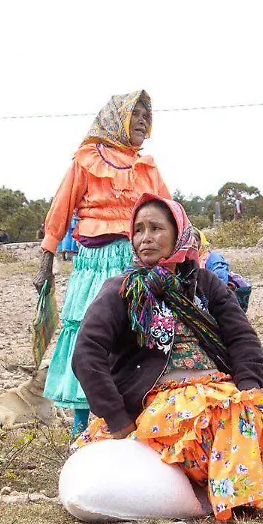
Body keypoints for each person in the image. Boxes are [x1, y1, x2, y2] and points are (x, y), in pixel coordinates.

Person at [72, 195, 263, 522]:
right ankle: (231, 499)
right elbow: (87, 353)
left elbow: (242, 338)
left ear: (179, 234)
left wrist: (249, 388)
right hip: (158, 401)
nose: (145, 237)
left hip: (217, 389)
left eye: (156, 228)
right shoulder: (121, 289)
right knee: (227, 417)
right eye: (138, 230)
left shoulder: (204, 285)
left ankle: (224, 490)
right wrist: (118, 418)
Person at [36, 92, 171, 437]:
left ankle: (133, 421)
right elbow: (60, 212)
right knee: (91, 338)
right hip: (96, 263)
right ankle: (83, 430)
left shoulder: (148, 167)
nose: (143, 120)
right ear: (116, 119)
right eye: (135, 114)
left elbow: (170, 214)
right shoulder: (86, 161)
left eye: (146, 115)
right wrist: (45, 263)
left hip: (138, 261)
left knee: (137, 338)